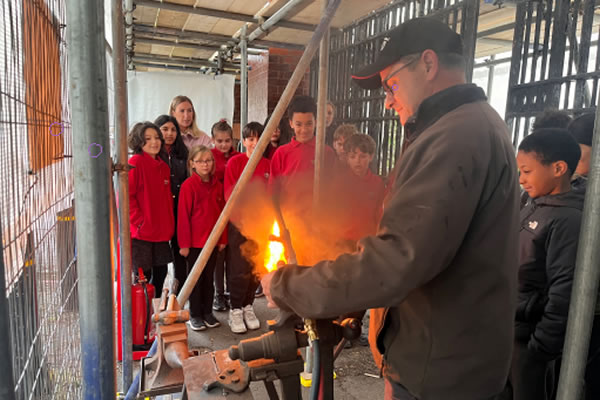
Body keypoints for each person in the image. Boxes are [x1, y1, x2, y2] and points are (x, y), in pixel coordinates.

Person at [262, 17, 520, 400]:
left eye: (390, 84)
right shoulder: (465, 126)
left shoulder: (455, 138)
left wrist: (287, 285)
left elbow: (396, 260)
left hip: (441, 372)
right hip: (448, 354)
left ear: (429, 64)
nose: (387, 98)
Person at [509, 129, 583, 400]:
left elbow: (565, 288)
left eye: (527, 171)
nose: (521, 179)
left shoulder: (567, 220)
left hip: (531, 341)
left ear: (558, 168)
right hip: (511, 331)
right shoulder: (533, 204)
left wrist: (541, 346)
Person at [269, 95, 336, 264]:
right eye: (298, 124)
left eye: (309, 124)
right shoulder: (281, 154)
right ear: (291, 123)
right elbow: (273, 195)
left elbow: (334, 192)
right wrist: (282, 226)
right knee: (292, 271)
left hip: (319, 227)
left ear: (316, 122)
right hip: (290, 225)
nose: (304, 129)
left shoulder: (326, 152)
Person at [224, 122, 271, 333]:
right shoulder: (235, 163)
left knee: (256, 267)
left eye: (258, 138)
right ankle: (235, 310)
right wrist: (241, 220)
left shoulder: (269, 164)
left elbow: (273, 196)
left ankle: (248, 305)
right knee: (238, 268)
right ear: (243, 142)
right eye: (250, 139)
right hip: (240, 225)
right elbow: (230, 195)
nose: (254, 143)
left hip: (262, 226)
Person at [177, 146, 226, 331]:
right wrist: (184, 244)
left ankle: (207, 312)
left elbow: (223, 215)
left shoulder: (217, 185)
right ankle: (195, 314)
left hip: (212, 242)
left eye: (208, 160)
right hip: (195, 244)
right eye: (200, 161)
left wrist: (222, 239)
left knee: (209, 278)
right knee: (195, 280)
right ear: (192, 164)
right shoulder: (188, 186)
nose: (205, 164)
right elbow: (183, 217)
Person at [128, 122, 175, 296]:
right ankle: (143, 316)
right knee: (143, 277)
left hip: (161, 231)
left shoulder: (163, 166)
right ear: (139, 141)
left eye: (156, 138)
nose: (154, 142)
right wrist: (139, 222)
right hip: (141, 234)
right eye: (148, 139)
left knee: (161, 272)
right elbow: (126, 198)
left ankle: (154, 314)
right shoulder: (135, 163)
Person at [154, 115, 189, 292]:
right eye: (165, 129)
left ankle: (179, 295)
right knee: (159, 259)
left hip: (179, 211)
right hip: (159, 213)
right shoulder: (153, 155)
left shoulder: (183, 155)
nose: (169, 133)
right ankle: (156, 297)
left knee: (180, 254)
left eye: (173, 129)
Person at [210, 119, 239, 312]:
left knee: (233, 256)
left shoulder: (238, 158)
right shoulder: (209, 158)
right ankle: (218, 294)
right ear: (213, 140)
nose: (223, 145)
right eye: (219, 141)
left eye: (227, 140)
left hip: (235, 213)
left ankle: (230, 292)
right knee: (218, 256)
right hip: (217, 212)